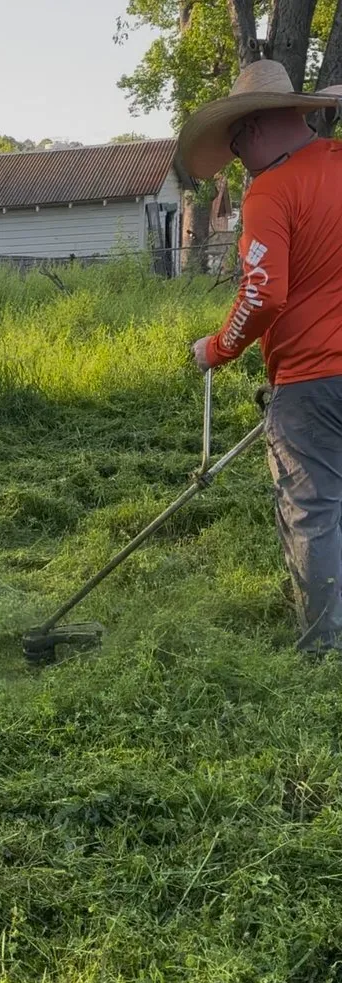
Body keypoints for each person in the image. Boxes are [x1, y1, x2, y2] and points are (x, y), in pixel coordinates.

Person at [177, 60, 342, 654]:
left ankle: (322, 652)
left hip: (314, 378)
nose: (238, 153)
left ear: (260, 124)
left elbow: (264, 289)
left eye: (238, 139)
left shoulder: (272, 187)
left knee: (313, 509)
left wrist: (217, 349)